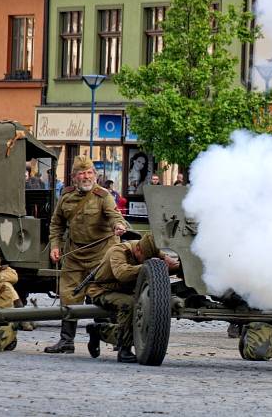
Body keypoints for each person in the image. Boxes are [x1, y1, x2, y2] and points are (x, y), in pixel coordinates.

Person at [45, 155, 128, 354]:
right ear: (74, 177)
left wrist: (118, 225)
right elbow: (56, 224)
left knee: (100, 297)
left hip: (100, 255)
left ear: (95, 175)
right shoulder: (66, 196)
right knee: (68, 296)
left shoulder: (103, 195)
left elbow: (114, 215)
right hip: (74, 254)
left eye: (89, 172)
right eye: (81, 173)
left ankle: (102, 335)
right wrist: (55, 246)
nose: (86, 177)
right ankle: (66, 341)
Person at [85, 234, 178, 363]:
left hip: (126, 290)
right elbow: (122, 274)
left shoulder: (147, 248)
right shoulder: (118, 251)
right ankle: (123, 349)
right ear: (138, 250)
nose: (144, 261)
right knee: (128, 304)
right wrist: (150, 267)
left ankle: (101, 331)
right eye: (144, 259)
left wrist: (173, 263)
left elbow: (163, 258)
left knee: (149, 304)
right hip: (103, 290)